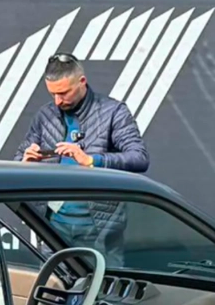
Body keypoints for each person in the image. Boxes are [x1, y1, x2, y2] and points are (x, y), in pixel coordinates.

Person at [13, 53, 149, 265]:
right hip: (52, 228)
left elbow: (139, 158)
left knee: (103, 285)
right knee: (54, 285)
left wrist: (91, 160)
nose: (58, 101)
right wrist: (25, 163)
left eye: (63, 93)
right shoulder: (45, 115)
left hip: (100, 230)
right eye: (53, 94)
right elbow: (19, 158)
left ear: (82, 81)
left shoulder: (113, 112)